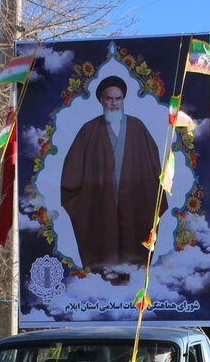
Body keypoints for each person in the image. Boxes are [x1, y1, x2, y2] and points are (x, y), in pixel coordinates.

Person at [60, 76, 166, 276]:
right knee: (104, 259)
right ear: (102, 100)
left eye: (118, 98)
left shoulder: (137, 128)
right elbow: (71, 176)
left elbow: (154, 170)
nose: (114, 103)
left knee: (134, 258)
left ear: (123, 100)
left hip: (135, 208)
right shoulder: (88, 131)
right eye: (110, 98)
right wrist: (87, 200)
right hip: (100, 210)